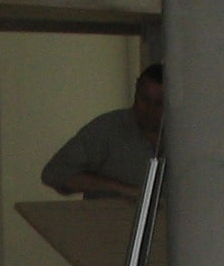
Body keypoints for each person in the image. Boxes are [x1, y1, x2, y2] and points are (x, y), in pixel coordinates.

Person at [40, 63, 165, 200]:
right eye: (144, 99)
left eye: (159, 103)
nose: (150, 110)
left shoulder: (185, 139)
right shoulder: (108, 129)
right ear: (136, 89)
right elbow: (55, 173)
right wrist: (120, 189)